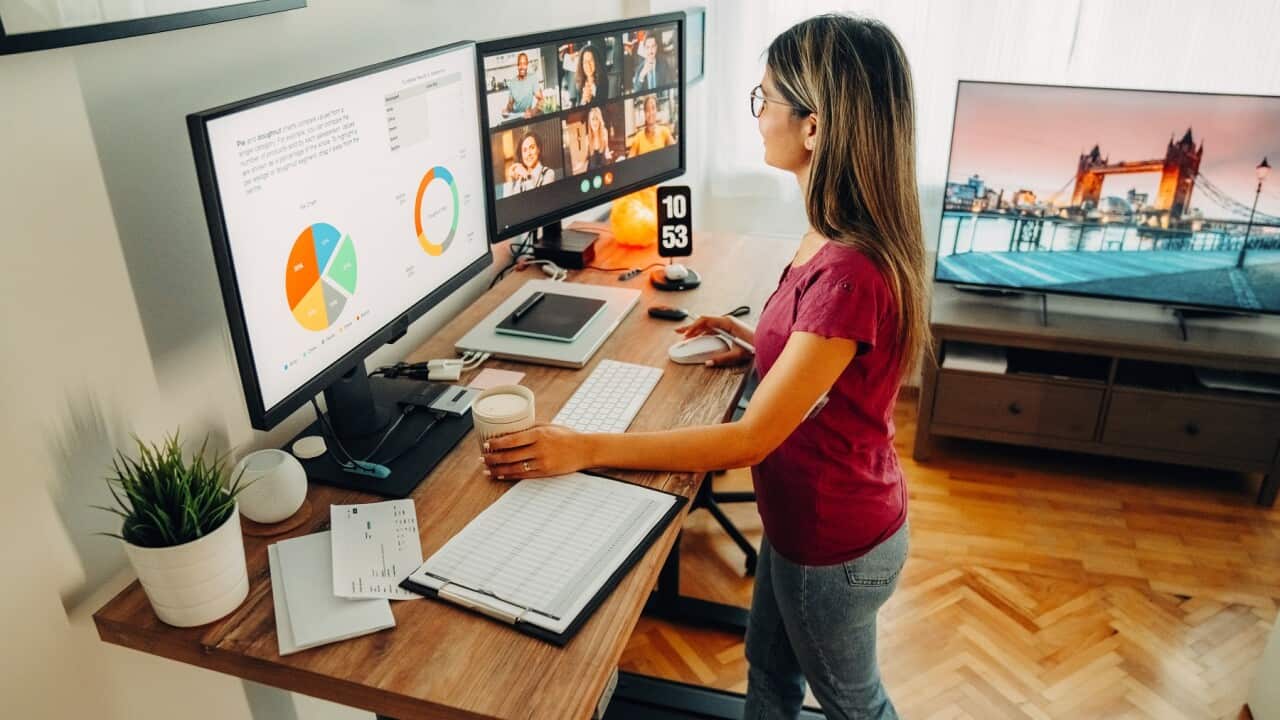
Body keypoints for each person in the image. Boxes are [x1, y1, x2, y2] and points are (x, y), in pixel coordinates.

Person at [483, 14, 927, 719]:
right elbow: (831, 368)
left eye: (765, 100)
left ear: (813, 127)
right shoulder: (834, 229)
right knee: (766, 672)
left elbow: (748, 440)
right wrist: (756, 341)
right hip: (804, 519)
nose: (757, 118)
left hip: (833, 540)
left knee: (854, 705)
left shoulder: (849, 270)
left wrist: (584, 448)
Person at [502, 131, 555, 196]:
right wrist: (510, 179)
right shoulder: (520, 179)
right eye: (524, 150)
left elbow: (539, 200)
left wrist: (527, 175)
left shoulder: (548, 173)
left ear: (538, 149)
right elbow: (508, 203)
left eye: (532, 148)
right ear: (521, 155)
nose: (528, 154)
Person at [503, 52, 543, 118]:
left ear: (527, 65)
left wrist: (532, 112)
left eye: (524, 64)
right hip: (515, 118)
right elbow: (510, 104)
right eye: (520, 64)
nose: (522, 67)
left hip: (527, 117)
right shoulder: (512, 82)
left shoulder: (532, 78)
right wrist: (506, 111)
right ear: (517, 65)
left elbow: (541, 100)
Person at [586, 106, 613, 171]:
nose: (595, 122)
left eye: (597, 119)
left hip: (604, 168)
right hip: (592, 170)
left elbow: (606, 148)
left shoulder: (604, 132)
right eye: (592, 119)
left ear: (600, 120)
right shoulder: (587, 137)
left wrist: (608, 154)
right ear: (589, 122)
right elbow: (586, 157)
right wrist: (580, 165)